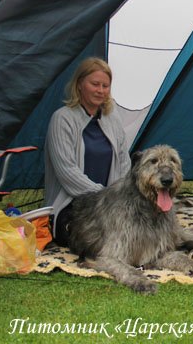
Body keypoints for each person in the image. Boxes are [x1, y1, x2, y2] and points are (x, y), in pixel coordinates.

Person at [44, 57, 131, 246]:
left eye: (105, 86)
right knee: (104, 240)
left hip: (111, 204)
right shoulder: (62, 119)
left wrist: (119, 197)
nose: (100, 90)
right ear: (80, 84)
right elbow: (67, 172)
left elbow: (125, 163)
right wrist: (105, 197)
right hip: (73, 206)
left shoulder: (113, 120)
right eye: (95, 84)